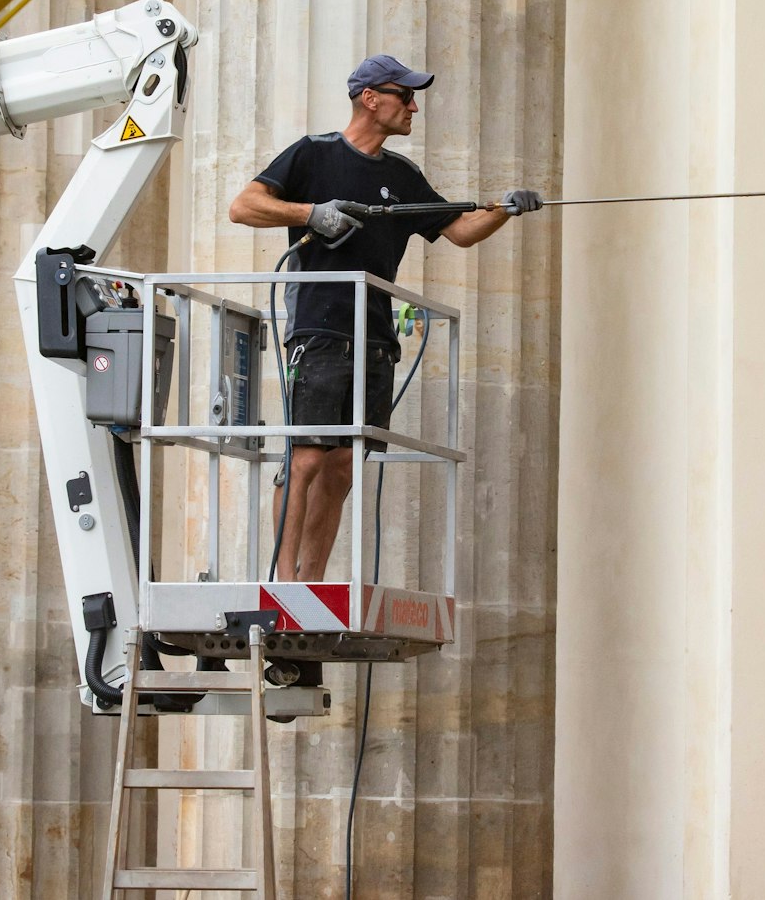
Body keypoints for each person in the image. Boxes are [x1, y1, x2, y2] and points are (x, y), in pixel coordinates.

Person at [229, 53, 542, 581]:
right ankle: (282, 585)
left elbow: (460, 231)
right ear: (370, 98)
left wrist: (504, 210)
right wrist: (312, 213)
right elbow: (244, 206)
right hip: (320, 330)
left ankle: (312, 581)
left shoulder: (402, 176)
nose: (414, 107)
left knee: (344, 466)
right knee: (305, 458)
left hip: (374, 338)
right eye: (406, 95)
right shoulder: (314, 154)